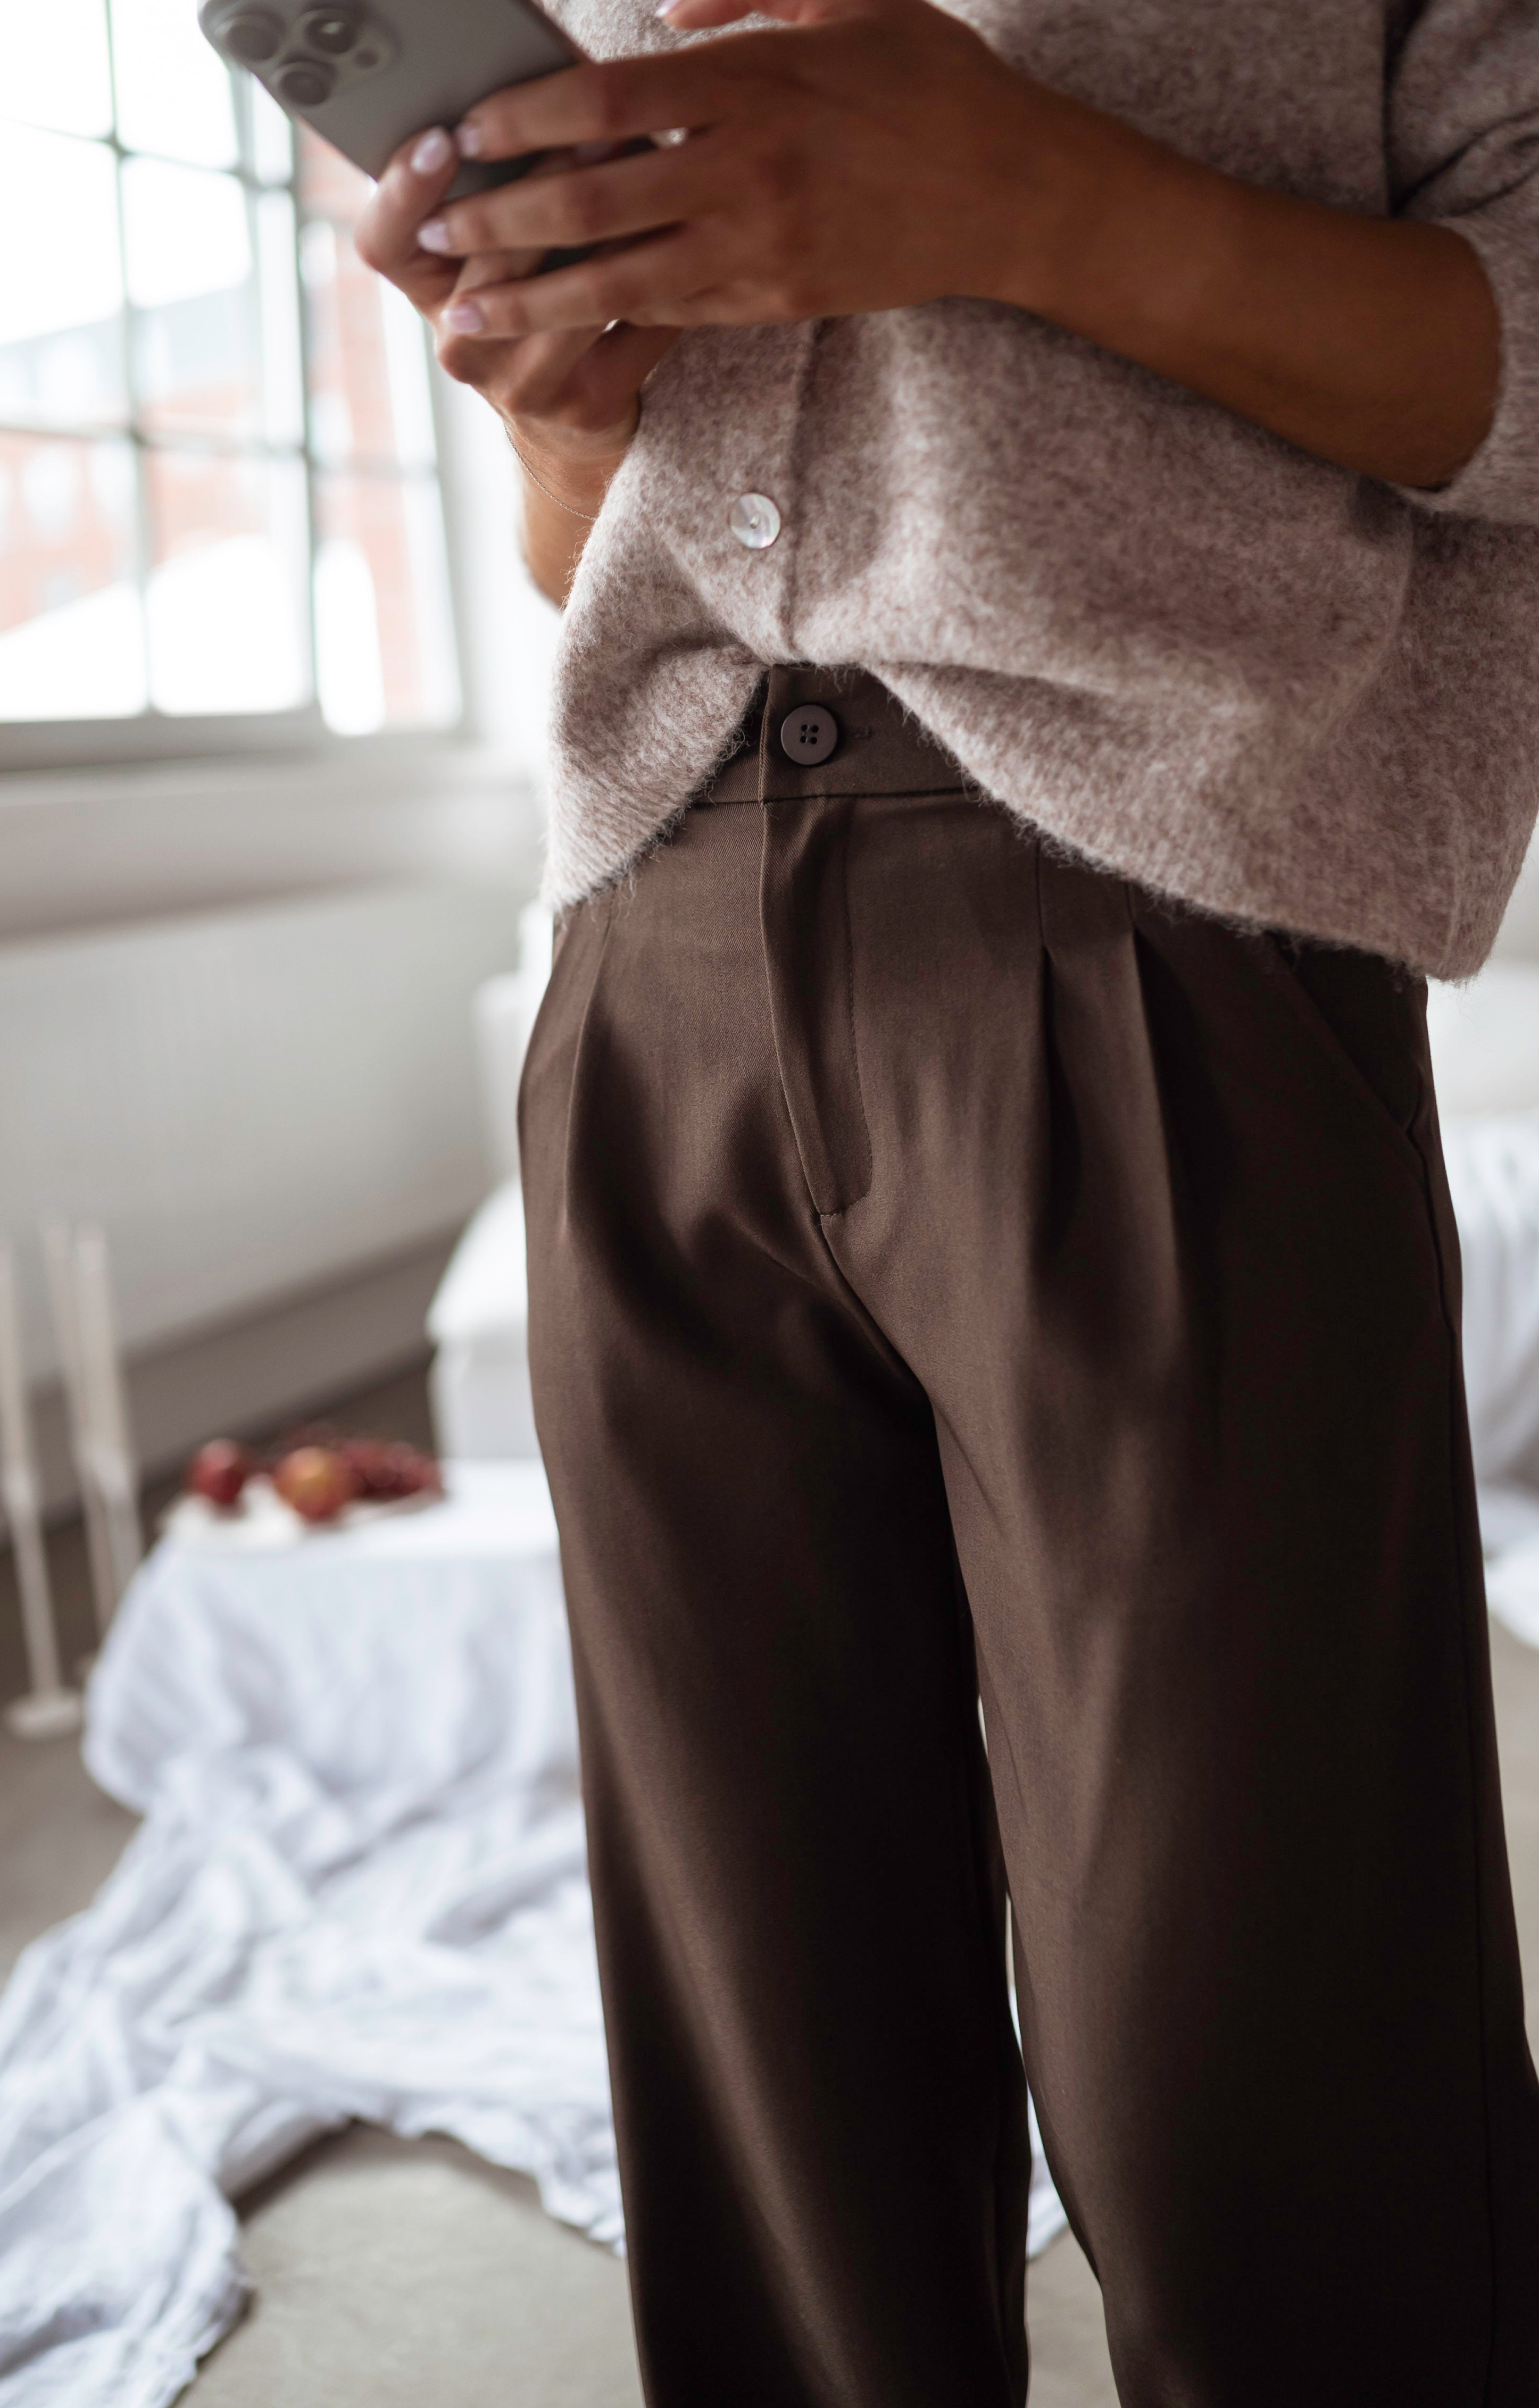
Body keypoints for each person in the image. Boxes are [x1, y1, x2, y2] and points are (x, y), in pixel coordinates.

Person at [357, 0, 1539, 2396]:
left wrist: (1024, 195)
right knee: (770, 2083)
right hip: (646, 936)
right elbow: (598, 555)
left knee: (1261, 2091)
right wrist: (558, 418)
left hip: (1161, 925)